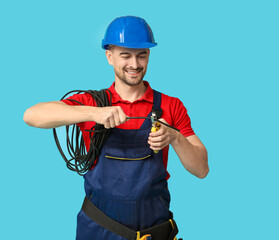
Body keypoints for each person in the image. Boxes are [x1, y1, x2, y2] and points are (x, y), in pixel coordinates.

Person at [23, 16, 208, 240]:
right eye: (125, 55)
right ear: (109, 56)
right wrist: (93, 113)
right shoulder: (92, 102)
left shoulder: (171, 105)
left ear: (149, 55)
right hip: (98, 229)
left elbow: (201, 170)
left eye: (142, 55)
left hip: (153, 231)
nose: (135, 64)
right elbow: (32, 115)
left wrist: (176, 138)